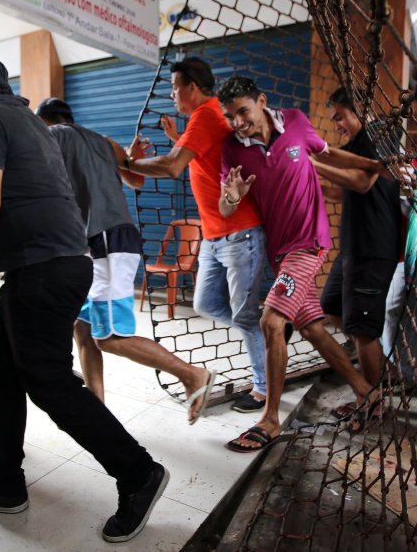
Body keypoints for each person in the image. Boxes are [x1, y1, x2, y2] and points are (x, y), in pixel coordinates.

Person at [0, 53, 167, 543]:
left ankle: (137, 472)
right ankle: (3, 480)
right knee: (0, 370)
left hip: (44, 267)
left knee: (47, 381)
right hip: (49, 264)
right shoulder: (26, 120)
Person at [217, 76, 384, 451]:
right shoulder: (232, 148)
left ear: (261, 101)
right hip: (280, 252)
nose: (238, 122)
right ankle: (367, 394)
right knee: (312, 329)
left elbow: (328, 153)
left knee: (271, 321)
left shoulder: (294, 120)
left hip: (309, 244)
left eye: (243, 111)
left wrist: (375, 164)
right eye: (231, 117)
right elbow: (224, 208)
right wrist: (232, 196)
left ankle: (270, 420)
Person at [36, 97, 215, 421]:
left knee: (112, 339)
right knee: (84, 328)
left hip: (105, 240)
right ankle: (97, 411)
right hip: (109, 240)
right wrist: (131, 157)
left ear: (45, 121)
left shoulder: (52, 137)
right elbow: (135, 178)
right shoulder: (103, 141)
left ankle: (191, 374)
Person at [122, 57, 267, 413]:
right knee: (205, 304)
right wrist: (175, 138)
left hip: (239, 233)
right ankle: (269, 333)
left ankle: (263, 387)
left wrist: (124, 163)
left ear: (190, 87)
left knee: (245, 315)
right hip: (215, 235)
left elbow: (172, 166)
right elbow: (201, 154)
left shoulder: (206, 115)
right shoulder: (200, 122)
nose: (172, 95)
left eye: (174, 88)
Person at [315, 88, 402, 420]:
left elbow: (362, 183)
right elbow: (342, 190)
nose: (337, 123)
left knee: (363, 330)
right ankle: (383, 371)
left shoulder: (377, 137)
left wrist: (312, 159)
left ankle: (370, 401)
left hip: (372, 247)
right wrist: (309, 178)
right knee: (332, 308)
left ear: (361, 110)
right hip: (353, 247)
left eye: (340, 115)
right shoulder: (360, 143)